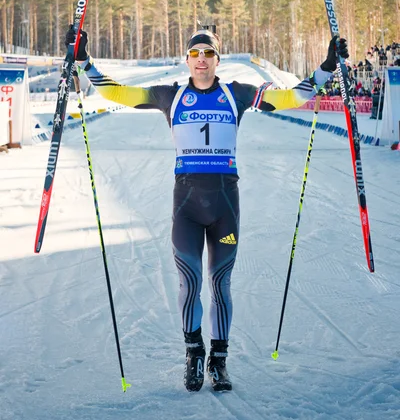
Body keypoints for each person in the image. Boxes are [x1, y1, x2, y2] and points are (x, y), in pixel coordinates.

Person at [65, 27, 348, 392]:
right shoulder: (171, 95)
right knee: (189, 282)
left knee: (220, 283)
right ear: (187, 59)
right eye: (195, 53)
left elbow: (293, 97)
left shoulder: (237, 94)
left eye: (208, 54)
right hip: (186, 203)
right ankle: (194, 352)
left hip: (225, 203)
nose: (201, 59)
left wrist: (326, 66)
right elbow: (116, 91)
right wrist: (84, 60)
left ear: (218, 59)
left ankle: (219, 360)